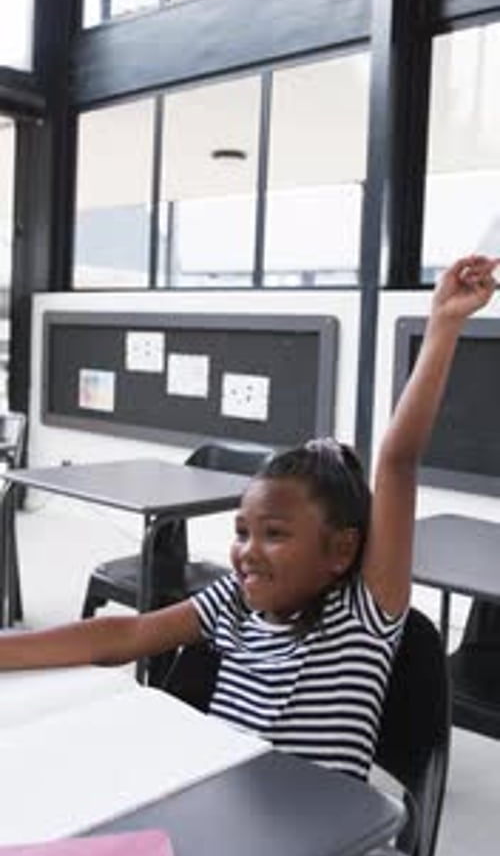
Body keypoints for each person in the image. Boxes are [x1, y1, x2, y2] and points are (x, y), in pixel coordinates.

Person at [0, 256, 497, 780]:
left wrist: (443, 323)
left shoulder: (363, 614)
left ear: (342, 550)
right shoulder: (234, 602)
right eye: (242, 532)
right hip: (219, 802)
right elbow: (123, 636)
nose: (247, 551)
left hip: (316, 841)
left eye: (275, 534)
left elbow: (397, 461)